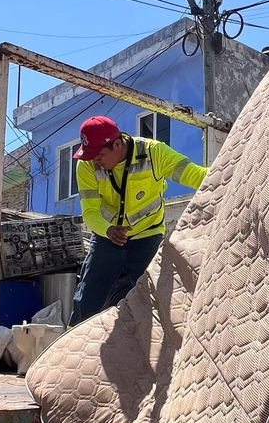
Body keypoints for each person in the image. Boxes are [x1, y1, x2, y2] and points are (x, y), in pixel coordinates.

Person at [69, 115, 207, 325]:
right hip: (107, 234)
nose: (94, 160)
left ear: (117, 145)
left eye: (99, 155)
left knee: (154, 296)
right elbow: (90, 212)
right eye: (90, 155)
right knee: (88, 297)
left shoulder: (154, 153)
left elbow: (196, 176)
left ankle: (160, 338)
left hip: (147, 234)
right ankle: (71, 338)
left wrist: (231, 169)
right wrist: (108, 230)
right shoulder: (87, 165)